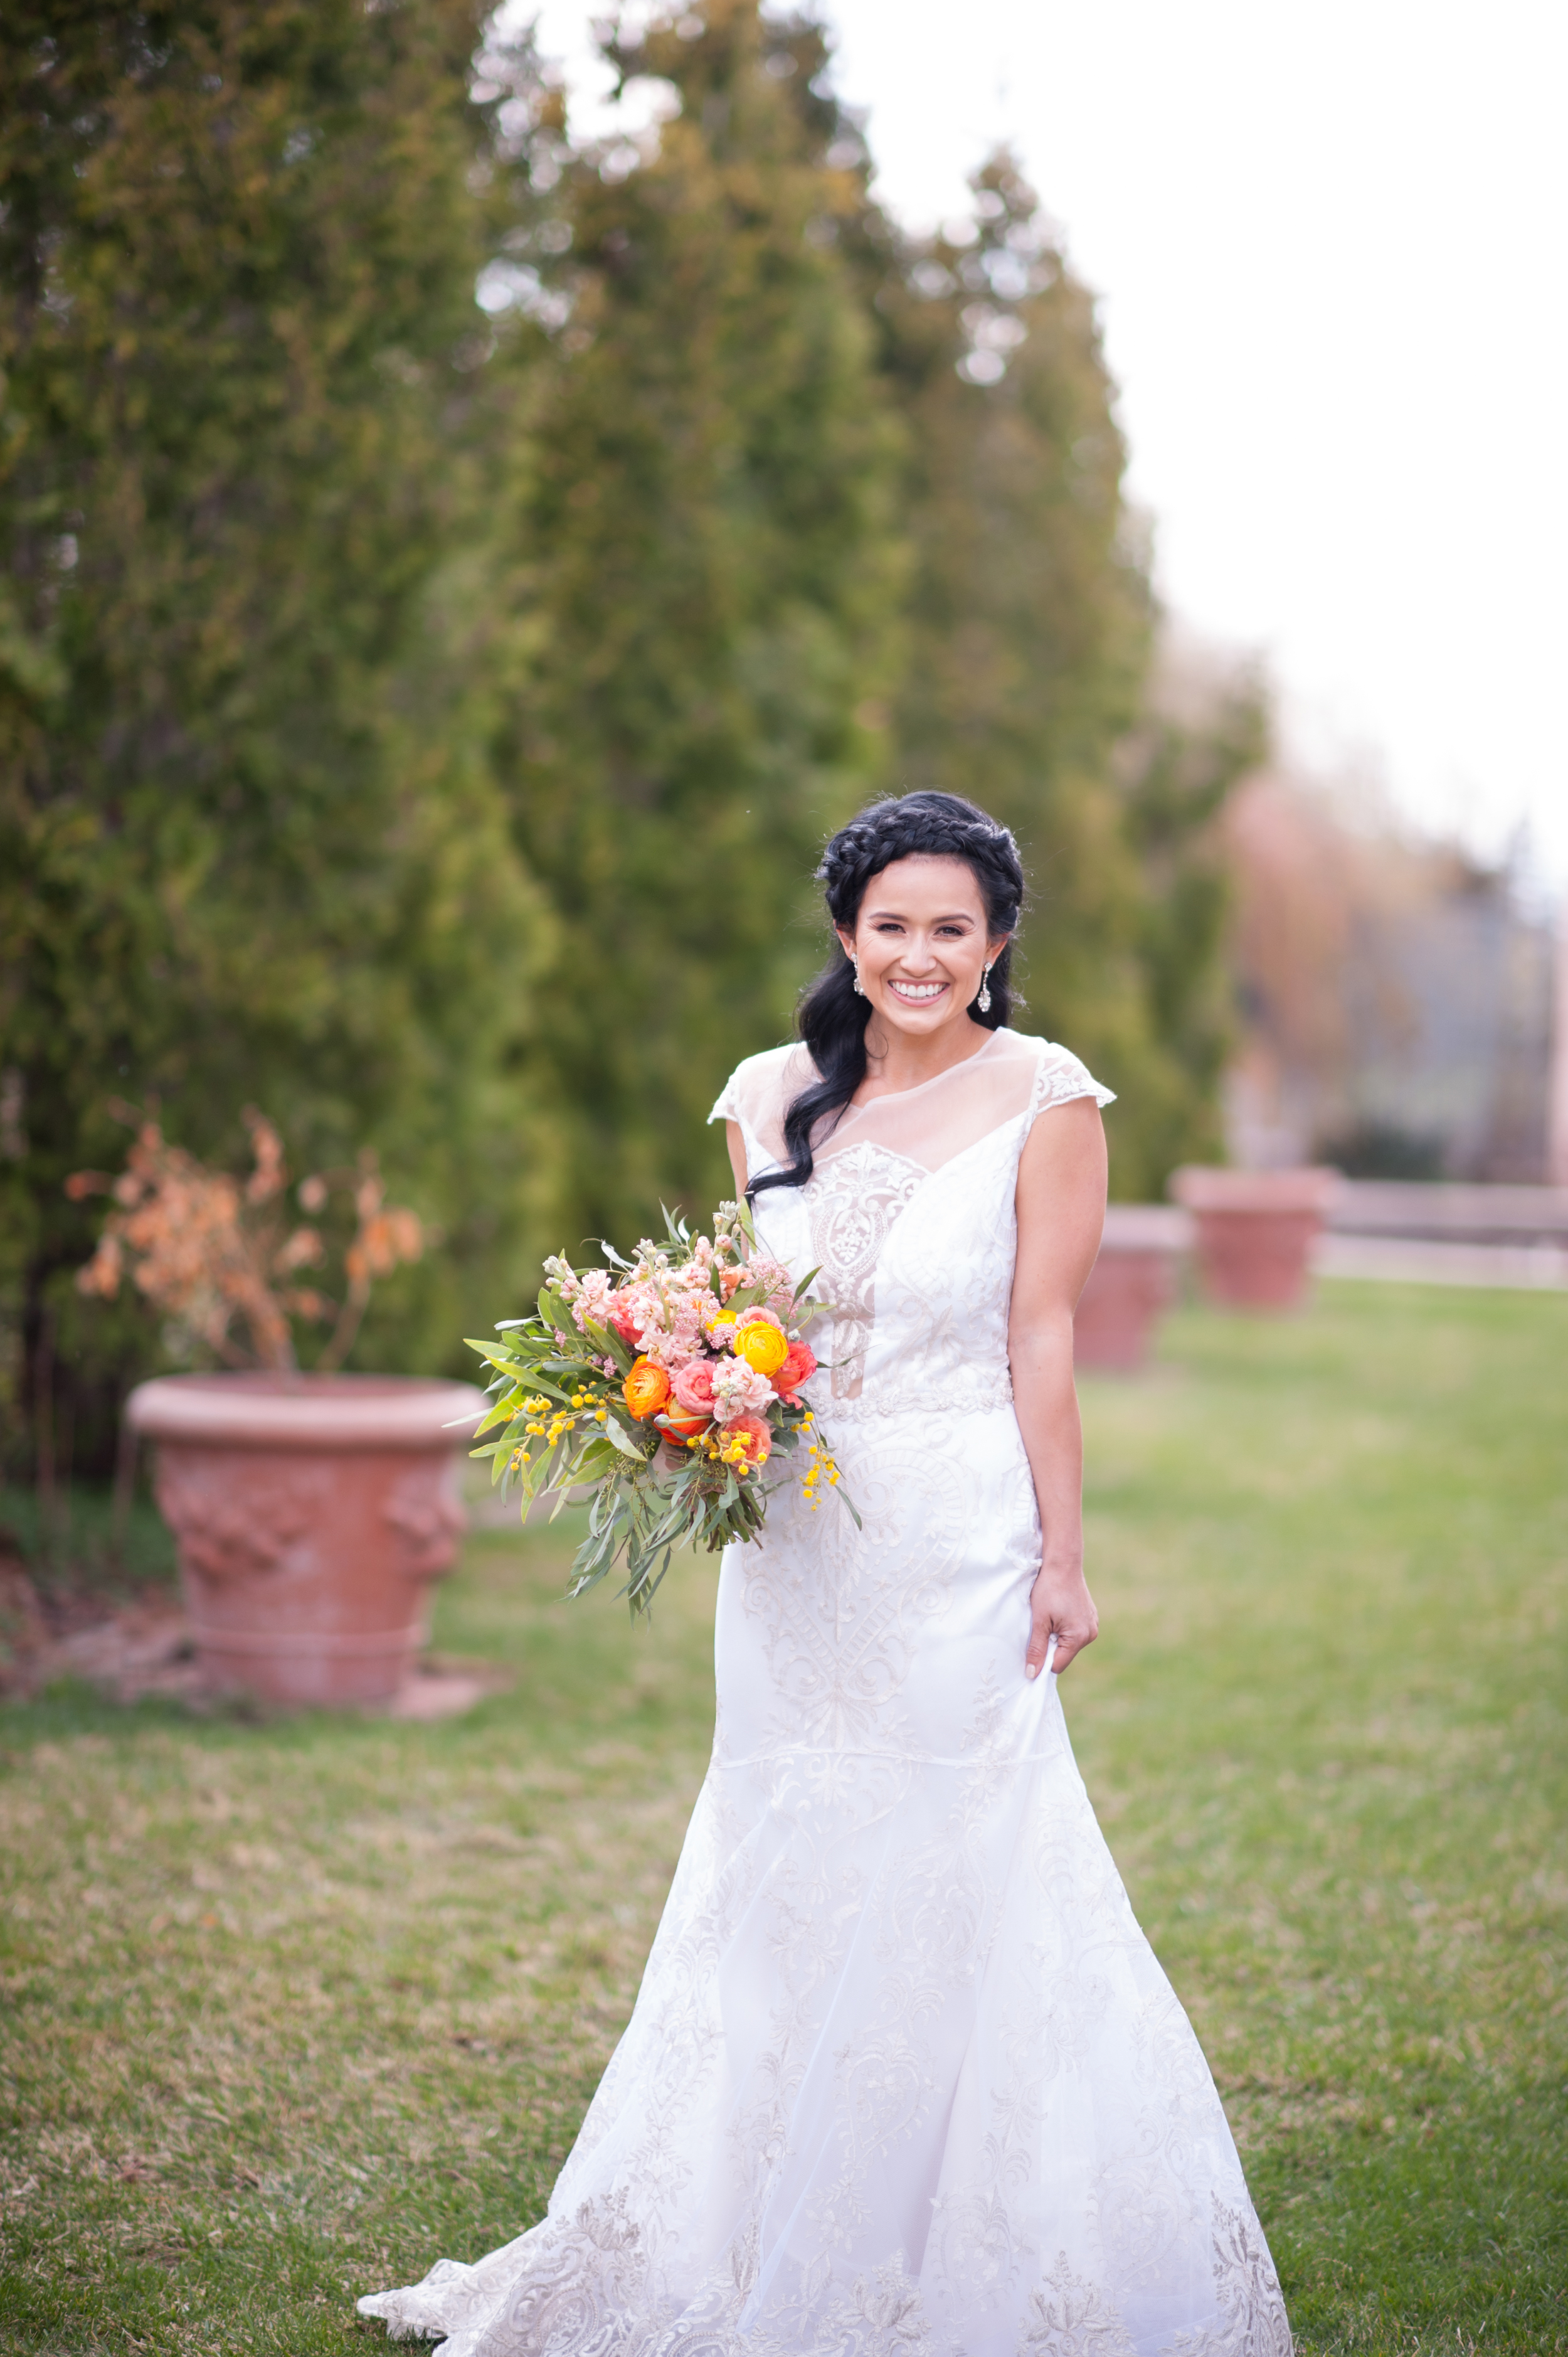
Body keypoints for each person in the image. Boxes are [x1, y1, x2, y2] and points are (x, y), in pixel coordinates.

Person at [359, 791, 1293, 2357]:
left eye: (951, 928)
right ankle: (757, 2224)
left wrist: (1063, 1559)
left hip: (955, 1533)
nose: (917, 955)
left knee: (952, 1857)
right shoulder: (766, 1093)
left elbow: (1040, 1335)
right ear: (845, 935)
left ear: (994, 943)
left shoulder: (1049, 1098)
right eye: (889, 925)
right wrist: (674, 1393)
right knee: (782, 1855)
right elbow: (756, 1320)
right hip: (790, 1542)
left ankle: (945, 2247)